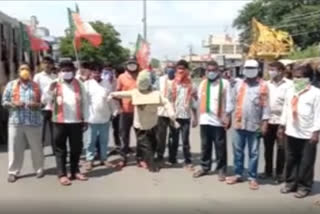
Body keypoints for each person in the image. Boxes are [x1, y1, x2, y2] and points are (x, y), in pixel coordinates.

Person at [110, 70, 178, 172]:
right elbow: (122, 94)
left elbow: (166, 102)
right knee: (146, 145)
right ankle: (152, 166)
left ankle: (147, 159)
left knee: (154, 143)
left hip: (152, 124)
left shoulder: (156, 94)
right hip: (140, 125)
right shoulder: (135, 93)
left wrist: (172, 116)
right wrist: (112, 94)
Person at [226, 59, 270, 190]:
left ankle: (252, 177)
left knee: (254, 153)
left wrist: (265, 123)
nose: (249, 70)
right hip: (239, 124)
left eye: (252, 68)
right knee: (238, 151)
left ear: (257, 70)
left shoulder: (263, 86)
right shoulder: (238, 85)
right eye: (247, 68)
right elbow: (231, 101)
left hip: (254, 125)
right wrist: (227, 116)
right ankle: (238, 174)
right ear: (243, 70)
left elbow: (266, 106)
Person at [43, 60, 88, 186]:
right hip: (59, 121)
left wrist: (86, 119)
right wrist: (49, 91)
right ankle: (62, 174)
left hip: (76, 121)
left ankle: (75, 171)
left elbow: (85, 102)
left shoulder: (79, 84)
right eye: (64, 70)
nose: (67, 73)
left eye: (69, 70)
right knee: (60, 149)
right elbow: (44, 100)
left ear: (73, 71)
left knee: (76, 148)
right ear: (59, 72)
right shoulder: (54, 83)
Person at [278, 64, 320, 199]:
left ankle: (304, 186)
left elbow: (318, 114)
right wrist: (281, 126)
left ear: (308, 78)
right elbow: (286, 109)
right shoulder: (291, 91)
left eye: (299, 77)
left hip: (308, 134)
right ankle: (290, 183)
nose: (296, 80)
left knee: (306, 162)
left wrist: (315, 132)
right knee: (290, 160)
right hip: (291, 131)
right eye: (294, 77)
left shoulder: (316, 93)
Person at [2, 64, 44, 183]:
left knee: (36, 148)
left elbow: (43, 102)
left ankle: (39, 169)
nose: (24, 71)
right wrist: (13, 104)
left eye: (27, 69)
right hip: (16, 122)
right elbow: (4, 101)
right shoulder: (11, 85)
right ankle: (13, 172)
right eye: (22, 69)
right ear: (18, 72)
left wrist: (38, 105)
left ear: (30, 72)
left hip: (34, 122)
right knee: (15, 148)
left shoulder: (36, 86)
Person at [193, 61, 232, 181]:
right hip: (205, 119)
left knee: (220, 146)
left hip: (218, 120)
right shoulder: (203, 83)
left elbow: (229, 101)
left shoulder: (224, 83)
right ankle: (205, 167)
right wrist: (194, 97)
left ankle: (221, 169)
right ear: (206, 71)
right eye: (209, 70)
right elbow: (198, 99)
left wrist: (228, 116)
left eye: (213, 70)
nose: (211, 72)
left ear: (218, 71)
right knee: (205, 145)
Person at [260, 61, 292, 183]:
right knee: (267, 148)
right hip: (268, 120)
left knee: (281, 148)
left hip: (282, 121)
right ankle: (268, 171)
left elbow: (289, 105)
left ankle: (279, 174)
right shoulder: (266, 84)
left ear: (281, 71)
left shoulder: (290, 85)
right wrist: (263, 121)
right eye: (270, 69)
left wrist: (283, 125)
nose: (271, 72)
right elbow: (263, 103)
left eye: (273, 69)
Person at [84, 63, 115, 171]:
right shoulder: (86, 84)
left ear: (101, 73)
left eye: (98, 72)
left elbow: (111, 99)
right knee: (90, 141)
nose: (96, 74)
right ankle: (89, 160)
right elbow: (84, 102)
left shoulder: (107, 83)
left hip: (105, 116)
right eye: (94, 72)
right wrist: (84, 117)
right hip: (92, 118)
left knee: (104, 140)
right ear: (91, 73)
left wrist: (114, 111)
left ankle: (104, 158)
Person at [167, 59, 198, 170]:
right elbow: (168, 100)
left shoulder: (191, 85)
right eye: (178, 68)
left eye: (182, 68)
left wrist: (195, 118)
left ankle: (187, 160)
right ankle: (172, 159)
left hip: (186, 116)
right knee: (173, 139)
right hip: (174, 116)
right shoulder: (171, 84)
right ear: (176, 70)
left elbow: (194, 103)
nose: (180, 70)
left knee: (185, 140)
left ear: (186, 70)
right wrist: (170, 114)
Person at [116, 57, 139, 167]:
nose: (132, 66)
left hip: (139, 111)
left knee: (140, 136)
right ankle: (123, 157)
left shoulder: (141, 76)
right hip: (125, 111)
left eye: (134, 63)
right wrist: (119, 108)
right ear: (126, 65)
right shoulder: (121, 77)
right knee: (124, 136)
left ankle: (140, 158)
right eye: (130, 64)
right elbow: (117, 94)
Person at [33, 56, 57, 155]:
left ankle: (56, 150)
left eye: (49, 63)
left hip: (53, 107)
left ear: (52, 65)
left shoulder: (55, 77)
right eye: (45, 63)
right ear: (42, 65)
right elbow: (34, 91)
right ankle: (39, 151)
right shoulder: (38, 76)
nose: (47, 65)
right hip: (42, 107)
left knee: (55, 131)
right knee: (41, 131)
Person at [156, 62, 176, 166]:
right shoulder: (160, 79)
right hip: (162, 111)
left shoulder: (178, 80)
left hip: (174, 112)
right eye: (169, 67)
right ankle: (160, 155)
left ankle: (172, 157)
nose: (170, 69)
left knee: (173, 135)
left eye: (172, 68)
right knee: (161, 135)